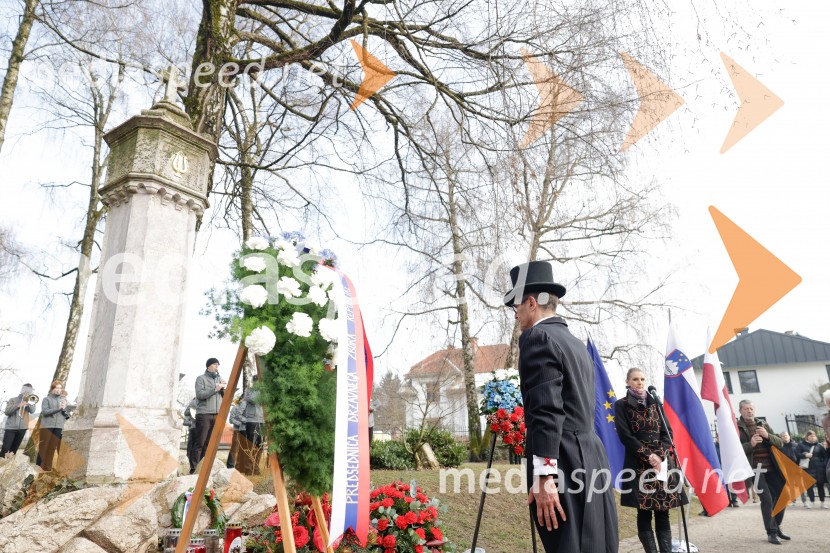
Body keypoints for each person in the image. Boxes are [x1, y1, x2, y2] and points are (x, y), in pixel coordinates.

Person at [504, 261, 618, 553]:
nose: (515, 314)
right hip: (591, 454)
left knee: (569, 545)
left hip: (563, 461)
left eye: (516, 305)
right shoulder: (576, 343)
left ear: (532, 303)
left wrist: (544, 478)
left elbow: (546, 411)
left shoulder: (537, 337)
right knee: (595, 545)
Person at [615, 368, 687, 553]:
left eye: (642, 379)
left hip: (662, 464)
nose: (640, 382)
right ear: (628, 381)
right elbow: (625, 436)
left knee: (663, 511)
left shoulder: (655, 402)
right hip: (639, 465)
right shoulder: (621, 405)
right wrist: (649, 456)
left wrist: (660, 455)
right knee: (644, 511)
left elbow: (667, 432)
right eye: (635, 379)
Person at [737, 400, 790, 545]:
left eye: (751, 408)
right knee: (766, 498)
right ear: (740, 411)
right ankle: (771, 532)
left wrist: (767, 436)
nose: (749, 411)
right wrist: (751, 444)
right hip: (755, 469)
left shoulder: (763, 424)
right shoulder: (737, 427)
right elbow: (734, 450)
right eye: (746, 409)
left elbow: (780, 442)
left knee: (782, 496)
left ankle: (776, 526)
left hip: (772, 468)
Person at [190, 357, 226, 474]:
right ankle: (194, 469)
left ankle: (203, 470)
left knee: (209, 444)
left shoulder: (219, 379)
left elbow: (225, 397)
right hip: (204, 414)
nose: (217, 366)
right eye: (215, 364)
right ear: (209, 366)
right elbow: (200, 395)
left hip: (217, 415)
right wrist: (215, 388)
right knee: (200, 442)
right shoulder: (201, 379)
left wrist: (223, 389)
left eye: (218, 365)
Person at [1, 383, 37, 458]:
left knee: (13, 451)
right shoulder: (13, 399)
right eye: (25, 389)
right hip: (11, 428)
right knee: (5, 450)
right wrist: (18, 405)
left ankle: (8, 468)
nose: (27, 391)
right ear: (22, 389)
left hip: (22, 429)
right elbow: (7, 412)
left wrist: (29, 403)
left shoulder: (31, 400)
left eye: (29, 390)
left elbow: (32, 411)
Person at [37, 380, 66, 471]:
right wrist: (58, 409)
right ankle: (38, 468)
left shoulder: (63, 400)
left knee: (52, 448)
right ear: (52, 389)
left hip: (58, 427)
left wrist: (65, 410)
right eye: (57, 388)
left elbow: (66, 415)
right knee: (43, 448)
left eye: (60, 388)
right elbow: (45, 412)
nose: (58, 390)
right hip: (47, 426)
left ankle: (47, 469)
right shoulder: (46, 399)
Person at [795, 430, 827, 509]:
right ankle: (812, 502)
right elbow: (796, 454)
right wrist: (805, 455)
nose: (813, 437)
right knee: (809, 486)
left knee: (820, 486)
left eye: (814, 436)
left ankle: (822, 503)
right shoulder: (801, 445)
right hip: (808, 468)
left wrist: (823, 464)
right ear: (807, 437)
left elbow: (825, 456)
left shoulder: (819, 446)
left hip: (819, 469)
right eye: (811, 436)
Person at [240, 375, 265, 475]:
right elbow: (254, 399)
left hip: (262, 421)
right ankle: (248, 468)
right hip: (251, 421)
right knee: (250, 445)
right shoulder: (249, 390)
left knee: (260, 446)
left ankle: (255, 467)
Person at [182, 397, 198, 470]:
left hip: (202, 427)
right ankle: (189, 464)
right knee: (191, 447)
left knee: (197, 447)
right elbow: (186, 412)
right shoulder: (193, 401)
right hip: (193, 427)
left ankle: (194, 465)